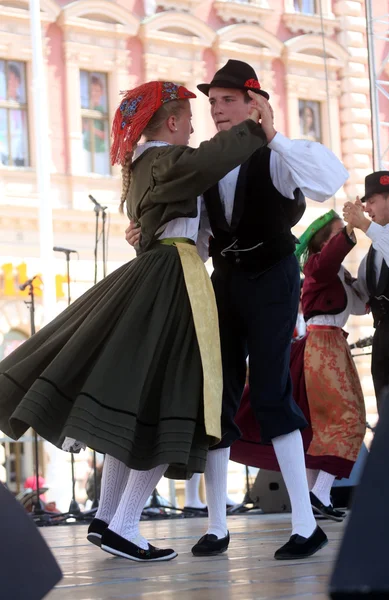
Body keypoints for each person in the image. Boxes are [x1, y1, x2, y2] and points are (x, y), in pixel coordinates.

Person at [0, 80, 274, 562]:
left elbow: (159, 214)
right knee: (175, 401)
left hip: (158, 274)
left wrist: (143, 231)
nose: (196, 124)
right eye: (189, 117)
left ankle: (110, 518)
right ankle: (124, 523)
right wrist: (256, 125)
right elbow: (208, 161)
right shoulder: (166, 159)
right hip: (174, 280)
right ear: (171, 122)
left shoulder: (146, 165)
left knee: (140, 400)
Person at [126, 60, 349, 560]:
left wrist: (273, 134)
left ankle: (305, 522)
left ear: (253, 103)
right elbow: (201, 235)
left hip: (272, 278)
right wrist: (147, 235)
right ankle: (218, 525)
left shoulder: (275, 153)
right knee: (217, 399)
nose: (217, 111)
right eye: (212, 104)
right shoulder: (208, 160)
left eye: (228, 101)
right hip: (224, 281)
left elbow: (327, 182)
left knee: (271, 393)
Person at [232, 210, 367, 521]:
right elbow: (332, 257)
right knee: (349, 419)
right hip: (324, 347)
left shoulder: (332, 273)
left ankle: (314, 499)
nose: (343, 237)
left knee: (317, 426)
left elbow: (359, 304)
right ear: (326, 242)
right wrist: (352, 226)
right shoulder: (318, 266)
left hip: (329, 345)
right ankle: (319, 494)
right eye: (337, 233)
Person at [343, 171, 389, 414]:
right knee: (387, 418)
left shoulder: (383, 238)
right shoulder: (374, 249)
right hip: (383, 340)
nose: (366, 209)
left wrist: (365, 226)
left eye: (372, 201)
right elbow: (360, 300)